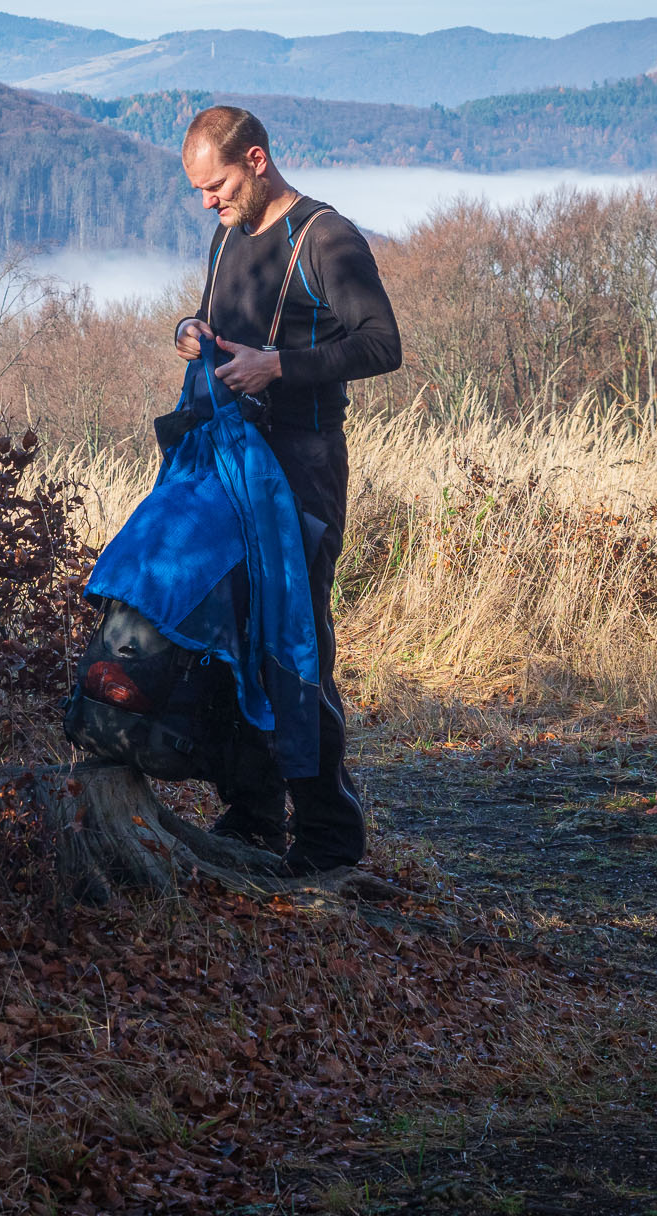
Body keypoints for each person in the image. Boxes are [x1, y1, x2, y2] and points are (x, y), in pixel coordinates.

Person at [171, 105, 400, 874]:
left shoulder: (326, 237)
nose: (209, 201)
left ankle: (330, 839)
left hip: (301, 465)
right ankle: (255, 815)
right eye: (201, 190)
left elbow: (381, 344)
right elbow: (210, 317)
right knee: (233, 639)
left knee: (296, 645)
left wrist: (279, 366)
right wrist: (190, 332)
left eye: (218, 184)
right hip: (228, 463)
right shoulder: (227, 235)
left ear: (258, 159)